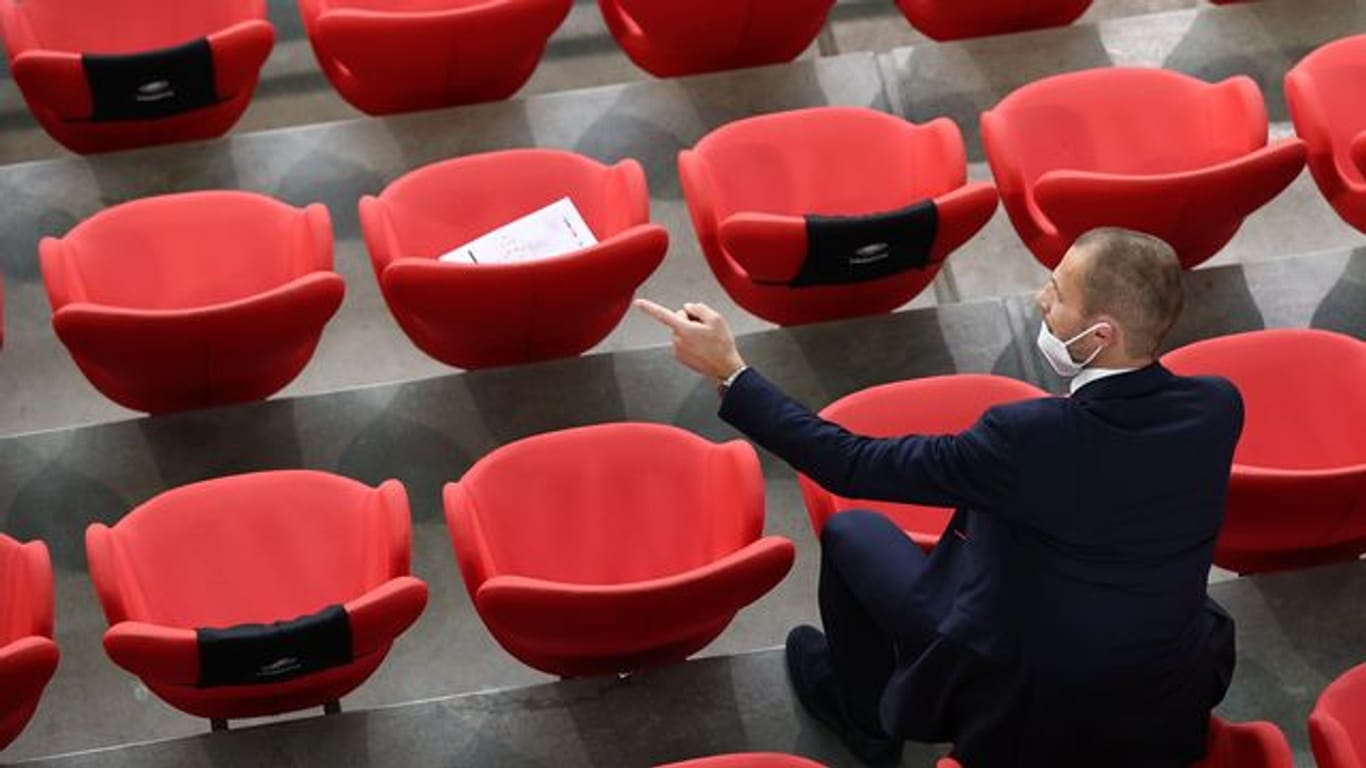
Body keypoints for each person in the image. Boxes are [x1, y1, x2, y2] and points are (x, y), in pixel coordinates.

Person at [636, 227, 1244, 767]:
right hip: (1162, 685)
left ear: (1101, 334)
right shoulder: (1217, 407)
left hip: (1029, 699)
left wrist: (732, 372)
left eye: (1057, 293)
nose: (1041, 300)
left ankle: (866, 719)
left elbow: (850, 464)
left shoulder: (1026, 439)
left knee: (854, 534)